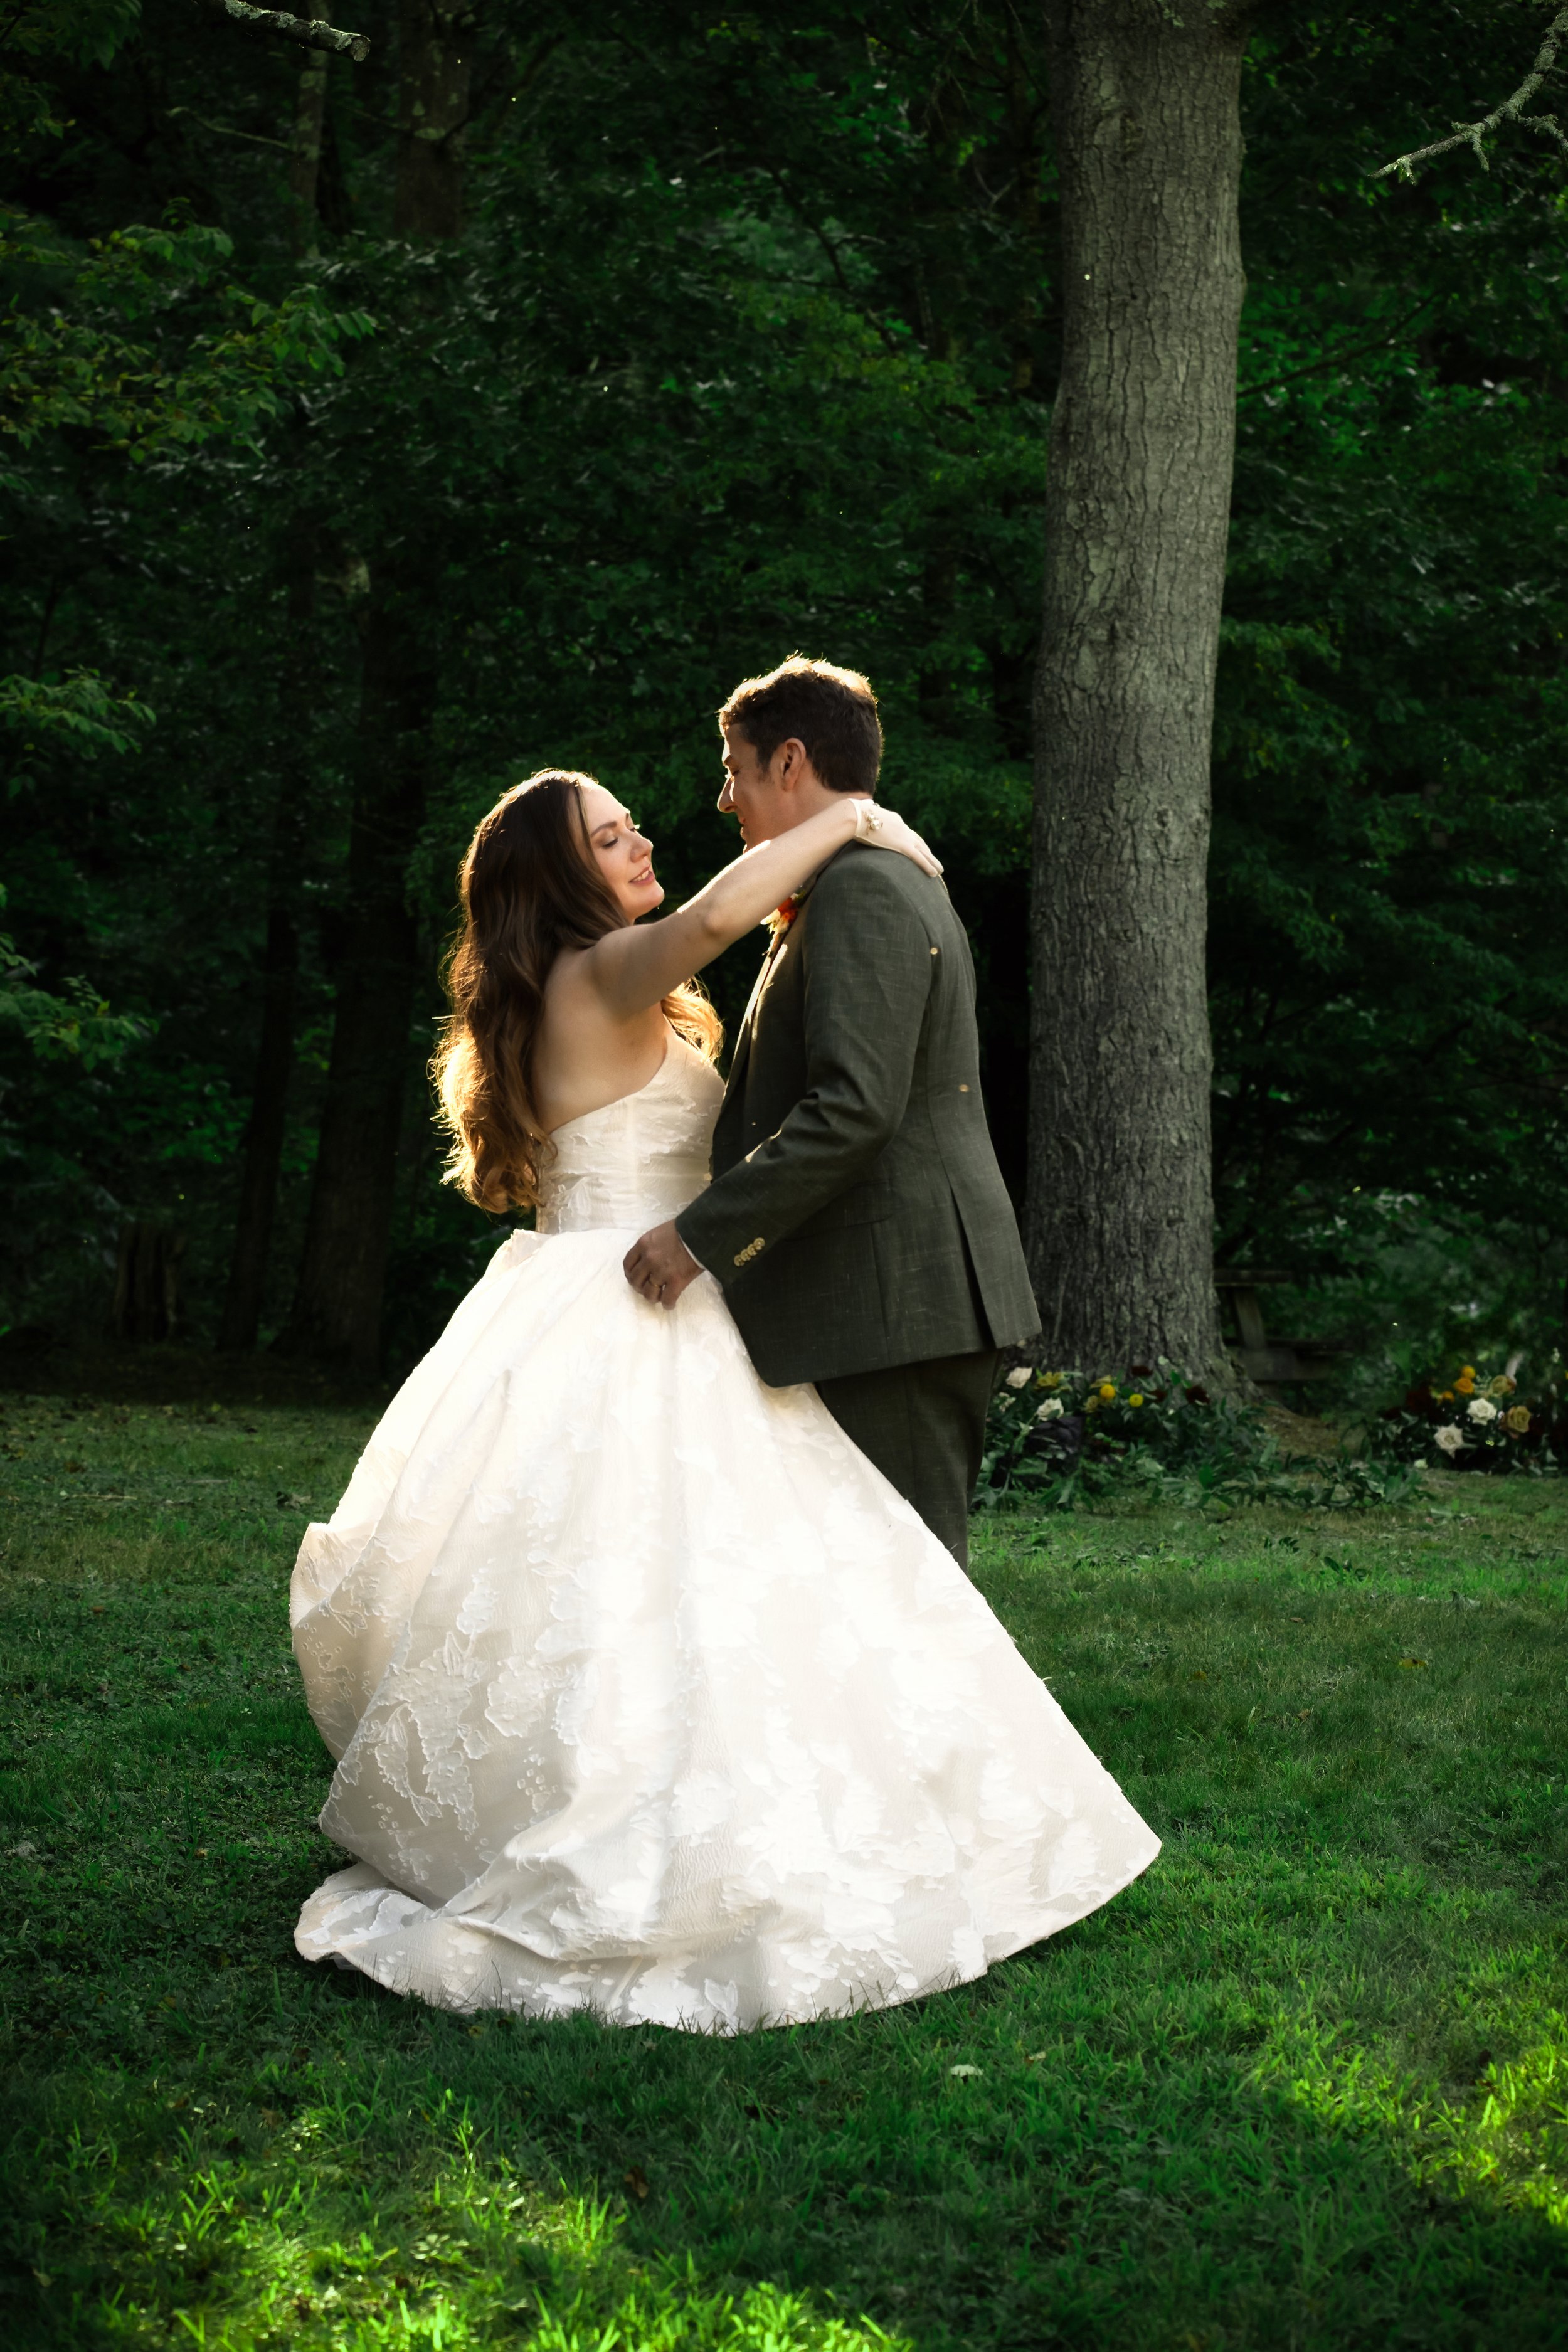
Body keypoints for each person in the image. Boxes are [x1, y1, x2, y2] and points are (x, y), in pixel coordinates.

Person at [290, 739, 1159, 2033]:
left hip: (588, 1290)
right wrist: (852, 816)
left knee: (628, 1575)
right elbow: (713, 915)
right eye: (608, 836)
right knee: (664, 1571)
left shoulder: (556, 990)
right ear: (554, 883)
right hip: (640, 1296)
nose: (643, 841)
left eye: (633, 823)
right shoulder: (603, 969)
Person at [625, 658, 1038, 1570]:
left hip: (900, 1297)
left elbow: (854, 1109)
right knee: (872, 1585)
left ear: (790, 762)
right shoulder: (858, 880)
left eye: (734, 769)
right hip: (890, 1297)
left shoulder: (863, 889)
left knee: (908, 1586)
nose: (724, 798)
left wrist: (700, 1237)